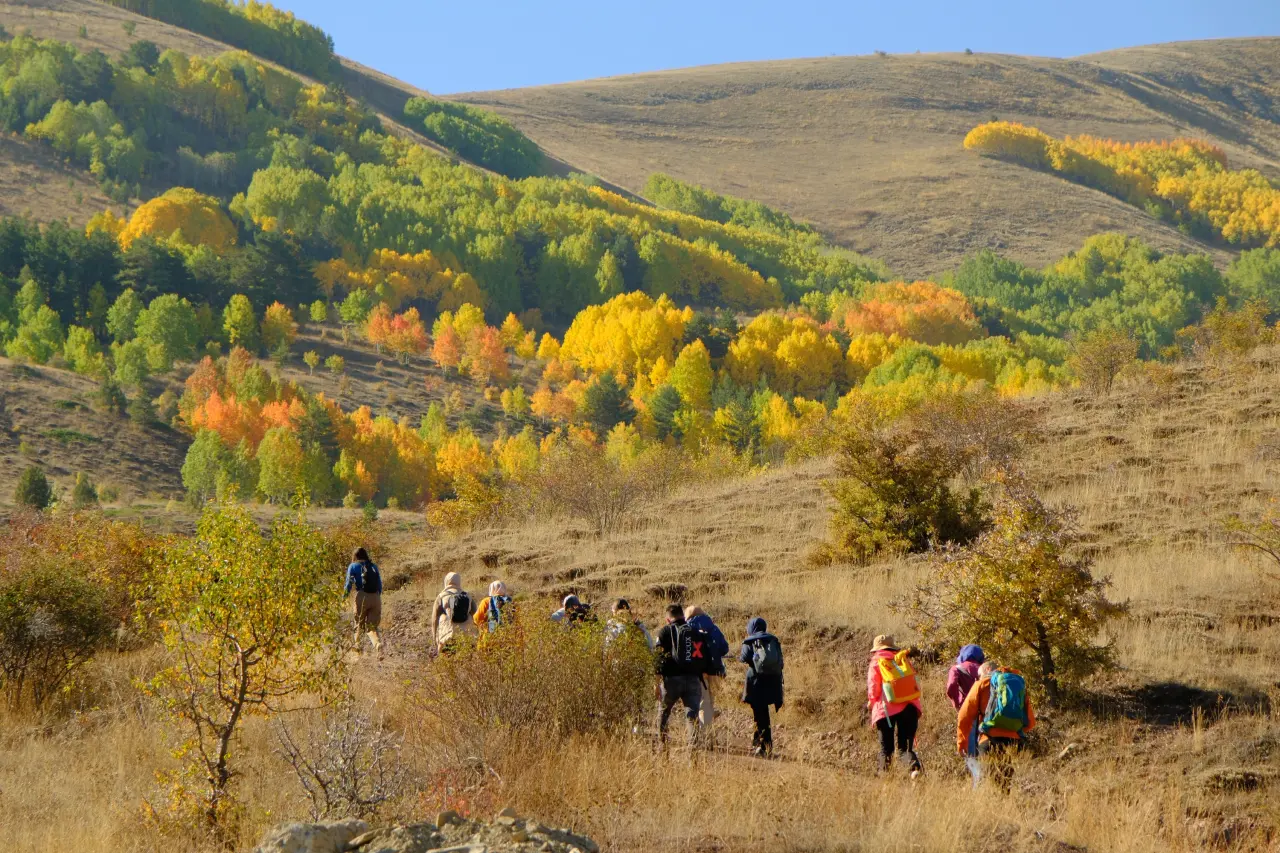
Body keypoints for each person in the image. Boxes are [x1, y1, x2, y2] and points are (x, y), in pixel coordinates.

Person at [956, 660, 1036, 792]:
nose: (979, 677)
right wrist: (1013, 731)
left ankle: (990, 810)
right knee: (1004, 787)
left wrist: (962, 744)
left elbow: (964, 716)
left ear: (987, 670)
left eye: (979, 674)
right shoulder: (1015, 686)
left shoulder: (981, 684)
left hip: (989, 739)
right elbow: (1030, 721)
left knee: (987, 785)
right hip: (1013, 742)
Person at [867, 634, 923, 775]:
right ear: (893, 647)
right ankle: (914, 771)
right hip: (910, 707)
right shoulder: (901, 660)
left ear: (876, 649)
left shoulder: (876, 662)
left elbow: (874, 687)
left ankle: (885, 778)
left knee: (886, 748)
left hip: (886, 710)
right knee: (906, 748)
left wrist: (871, 702)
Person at [654, 603, 703, 748]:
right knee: (692, 717)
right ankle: (692, 756)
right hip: (693, 679)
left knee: (663, 713)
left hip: (671, 680)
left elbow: (658, 659)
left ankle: (663, 748)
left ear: (668, 619)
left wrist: (656, 683)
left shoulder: (664, 632)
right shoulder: (694, 632)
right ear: (683, 616)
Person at [739, 616, 783, 758]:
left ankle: (765, 747)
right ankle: (758, 741)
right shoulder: (773, 640)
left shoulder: (750, 640)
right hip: (773, 682)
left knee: (760, 714)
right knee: (763, 713)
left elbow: (744, 657)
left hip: (756, 682)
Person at [684, 605, 730, 737]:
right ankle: (707, 733)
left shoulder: (685, 629)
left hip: (695, 672)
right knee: (708, 702)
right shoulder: (713, 627)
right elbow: (724, 648)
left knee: (697, 702)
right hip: (714, 671)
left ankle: (699, 735)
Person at [947, 644, 986, 781]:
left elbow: (951, 687)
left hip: (968, 711)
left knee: (969, 750)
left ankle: (977, 781)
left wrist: (958, 704)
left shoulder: (956, 669)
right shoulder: (985, 670)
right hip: (985, 713)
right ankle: (985, 778)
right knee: (983, 746)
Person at [343, 547, 384, 656]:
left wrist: (345, 596)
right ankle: (377, 644)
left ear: (355, 556)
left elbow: (348, 584)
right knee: (372, 627)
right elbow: (379, 585)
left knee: (359, 626)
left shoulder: (353, 566)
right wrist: (376, 597)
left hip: (362, 597)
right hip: (375, 597)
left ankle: (358, 654)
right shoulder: (373, 566)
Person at [430, 572, 475, 655]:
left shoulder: (441, 596)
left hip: (447, 636)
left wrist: (434, 638)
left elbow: (434, 619)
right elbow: (475, 615)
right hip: (465, 637)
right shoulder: (467, 596)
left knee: (447, 658)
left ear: (446, 581)